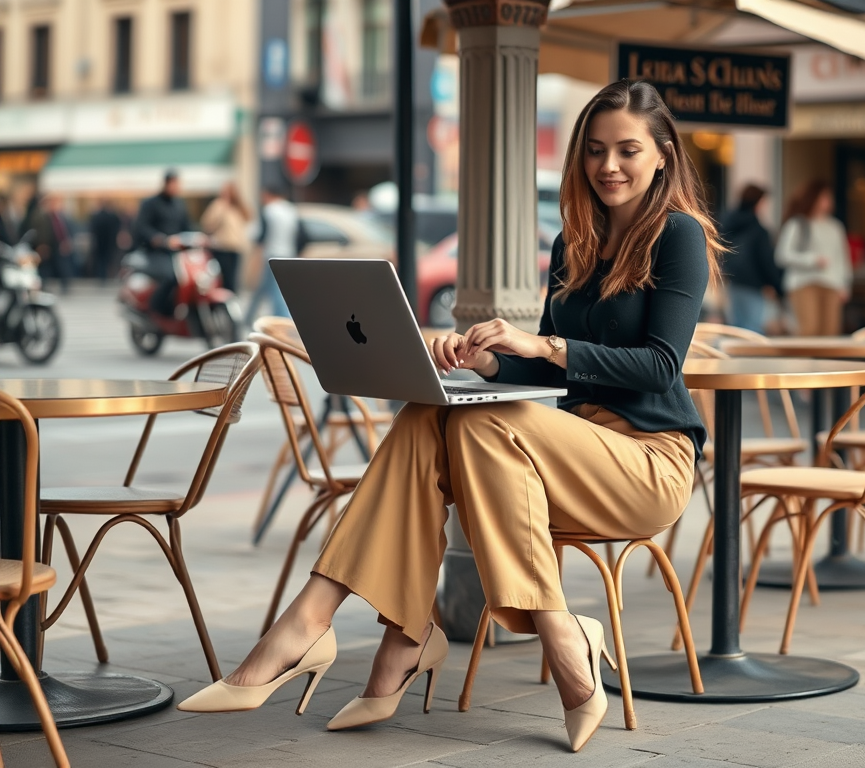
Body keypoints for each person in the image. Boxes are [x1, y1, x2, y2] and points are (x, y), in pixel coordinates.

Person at [179, 80, 719, 753]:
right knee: (430, 410)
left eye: (628, 151)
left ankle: (430, 633)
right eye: (595, 150)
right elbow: (550, 377)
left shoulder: (679, 236)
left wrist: (542, 341)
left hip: (646, 461)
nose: (608, 166)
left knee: (476, 425)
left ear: (664, 154)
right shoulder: (573, 244)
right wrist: (486, 362)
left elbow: (660, 364)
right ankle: (367, 629)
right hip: (562, 451)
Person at [775, 179, 851, 336]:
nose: (828, 201)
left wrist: (845, 284)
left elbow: (842, 258)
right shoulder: (797, 224)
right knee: (808, 330)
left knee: (831, 331)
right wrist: (812, 260)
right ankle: (804, 362)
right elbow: (782, 255)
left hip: (831, 283)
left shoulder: (835, 227)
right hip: (803, 283)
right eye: (824, 197)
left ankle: (826, 362)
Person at [720, 183, 782, 333]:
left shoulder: (728, 223)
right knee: (753, 331)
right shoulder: (758, 230)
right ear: (758, 202)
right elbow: (765, 260)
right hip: (754, 285)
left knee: (737, 329)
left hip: (733, 281)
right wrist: (776, 285)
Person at [133, 170, 192, 316]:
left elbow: (187, 226)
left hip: (177, 253)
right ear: (166, 183)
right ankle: (157, 309)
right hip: (155, 253)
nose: (176, 187)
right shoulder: (150, 203)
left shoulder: (179, 204)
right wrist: (159, 238)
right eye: (174, 183)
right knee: (171, 277)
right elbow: (141, 227)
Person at [244, 185, 296, 325]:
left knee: (274, 290)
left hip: (272, 255)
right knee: (268, 288)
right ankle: (248, 318)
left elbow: (260, 236)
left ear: (268, 194)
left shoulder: (269, 211)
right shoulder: (290, 210)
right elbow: (300, 234)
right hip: (288, 254)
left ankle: (281, 321)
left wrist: (255, 256)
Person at [200, 181, 251, 293]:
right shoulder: (218, 205)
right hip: (222, 247)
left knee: (233, 280)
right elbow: (207, 224)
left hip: (235, 248)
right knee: (224, 279)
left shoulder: (237, 207)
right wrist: (222, 207)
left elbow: (248, 218)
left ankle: (232, 301)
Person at [30, 193, 74, 294]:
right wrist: (42, 244)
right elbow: (40, 231)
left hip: (53, 245)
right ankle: (43, 286)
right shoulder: (40, 214)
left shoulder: (51, 215)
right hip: (45, 246)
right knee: (45, 268)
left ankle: (53, 286)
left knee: (56, 266)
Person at [89, 199, 124, 283]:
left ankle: (101, 277)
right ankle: (108, 276)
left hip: (99, 243)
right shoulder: (112, 216)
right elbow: (116, 229)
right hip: (109, 243)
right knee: (109, 260)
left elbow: (93, 230)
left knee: (100, 261)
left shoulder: (96, 216)